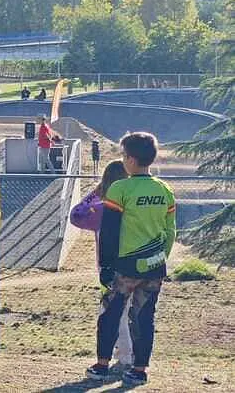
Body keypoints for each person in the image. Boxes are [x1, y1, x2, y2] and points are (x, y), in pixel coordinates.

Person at [87, 132, 176, 387]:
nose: (123, 159)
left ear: (131, 159)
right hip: (155, 266)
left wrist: (105, 265)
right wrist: (160, 257)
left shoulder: (120, 188)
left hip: (125, 267)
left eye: (124, 155)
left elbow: (110, 231)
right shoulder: (164, 189)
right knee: (145, 317)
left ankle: (102, 366)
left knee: (111, 315)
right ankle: (139, 369)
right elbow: (170, 231)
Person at [70, 161, 133, 370]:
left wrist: (95, 193)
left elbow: (76, 214)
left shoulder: (99, 210)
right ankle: (127, 354)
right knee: (130, 311)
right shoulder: (132, 206)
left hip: (107, 266)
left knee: (113, 312)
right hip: (133, 262)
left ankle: (125, 356)